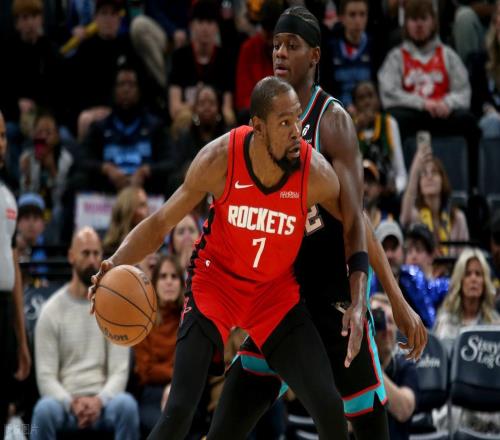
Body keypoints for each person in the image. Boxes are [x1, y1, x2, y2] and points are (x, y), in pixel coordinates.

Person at [90, 75, 364, 440]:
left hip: (273, 295)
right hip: (215, 286)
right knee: (180, 410)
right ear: (258, 127)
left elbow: (356, 224)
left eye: (298, 118)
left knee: (330, 407)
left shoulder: (314, 172)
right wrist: (114, 262)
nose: (297, 131)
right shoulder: (219, 159)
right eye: (284, 122)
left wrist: (379, 296)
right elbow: (160, 224)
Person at [207, 7, 426, 440]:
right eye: (276, 45)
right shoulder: (262, 123)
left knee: (369, 428)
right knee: (225, 427)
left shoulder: (332, 121)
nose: (280, 53)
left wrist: (387, 301)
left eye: (292, 45)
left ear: (315, 55)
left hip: (332, 300)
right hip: (280, 298)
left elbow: (355, 221)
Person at [31, 227, 139, 439]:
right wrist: (71, 403)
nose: (92, 260)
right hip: (65, 405)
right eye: (85, 253)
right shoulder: (51, 311)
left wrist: (99, 401)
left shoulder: (113, 309)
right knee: (43, 410)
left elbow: (119, 370)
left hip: (105, 404)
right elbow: (45, 377)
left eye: (96, 254)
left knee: (127, 406)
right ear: (71, 256)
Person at [433, 247, 500, 433]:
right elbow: (440, 369)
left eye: (478, 274)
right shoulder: (444, 322)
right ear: (460, 280)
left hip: (489, 404)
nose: (473, 279)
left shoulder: (496, 325)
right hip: (452, 405)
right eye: (468, 273)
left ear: (485, 281)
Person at [0, 110, 31, 440]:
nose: (0, 143)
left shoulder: (8, 193)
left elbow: (13, 266)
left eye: (2, 136)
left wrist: (21, 340)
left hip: (5, 308)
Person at [134, 255, 185, 434]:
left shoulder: (189, 320)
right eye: (163, 276)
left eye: (174, 276)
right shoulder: (144, 320)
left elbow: (195, 366)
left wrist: (174, 386)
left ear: (182, 283)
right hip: (152, 394)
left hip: (184, 391)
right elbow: (145, 371)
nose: (169, 282)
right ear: (154, 283)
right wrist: (174, 376)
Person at [400, 140, 469, 256]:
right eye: (424, 174)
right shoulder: (414, 216)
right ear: (419, 184)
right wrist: (415, 169)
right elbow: (404, 217)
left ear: (443, 180)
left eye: (434, 172)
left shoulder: (458, 218)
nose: (429, 177)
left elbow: (464, 257)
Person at [372, 293, 419, 440]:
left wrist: (370, 364)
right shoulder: (350, 367)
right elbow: (345, 424)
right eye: (379, 319)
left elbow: (404, 411)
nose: (386, 328)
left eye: (390, 321)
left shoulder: (406, 367)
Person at [103, 186, 149, 254]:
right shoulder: (108, 251)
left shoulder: (153, 246)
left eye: (146, 205)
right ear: (127, 210)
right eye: (141, 205)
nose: (146, 212)